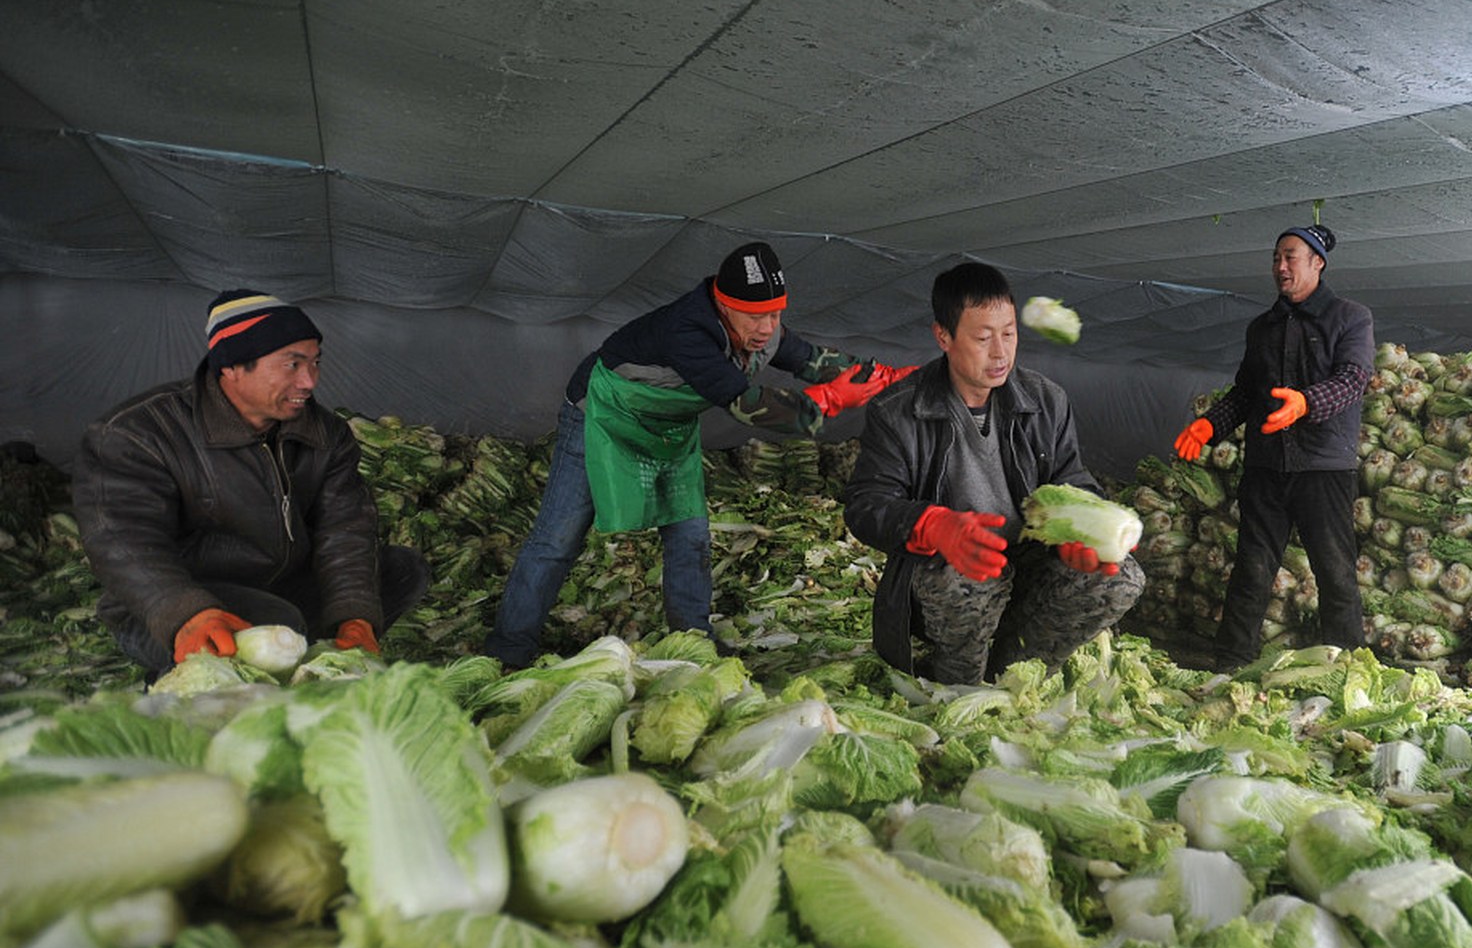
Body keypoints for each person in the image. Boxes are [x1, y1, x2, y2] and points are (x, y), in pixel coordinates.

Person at [484, 242, 912, 666]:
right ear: (723, 305)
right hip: (602, 417)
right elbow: (746, 405)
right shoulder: (686, 330)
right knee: (558, 537)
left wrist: (891, 378)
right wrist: (828, 401)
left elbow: (815, 361)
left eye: (776, 314)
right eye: (755, 316)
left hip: (666, 429)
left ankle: (694, 640)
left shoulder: (762, 329)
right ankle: (509, 648)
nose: (767, 328)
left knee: (689, 535)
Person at [72, 290, 429, 675]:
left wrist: (354, 616)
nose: (309, 381)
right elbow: (123, 541)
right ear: (231, 367)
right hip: (177, 599)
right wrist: (183, 611)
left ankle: (312, 658)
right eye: (292, 364)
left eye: (315, 363)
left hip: (280, 582)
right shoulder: (140, 432)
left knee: (401, 570)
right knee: (279, 620)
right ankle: (194, 671)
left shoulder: (325, 433)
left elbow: (344, 529)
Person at [843, 261, 1144, 684]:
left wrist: (1079, 530)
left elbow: (1069, 477)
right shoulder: (898, 411)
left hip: (1026, 561)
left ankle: (1015, 671)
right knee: (969, 577)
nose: (1000, 352)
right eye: (983, 338)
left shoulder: (1045, 400)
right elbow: (865, 506)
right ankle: (957, 684)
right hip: (945, 572)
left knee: (1120, 579)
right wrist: (932, 524)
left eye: (1009, 334)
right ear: (943, 336)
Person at [1173, 224, 1374, 670]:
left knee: (1335, 572)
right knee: (1252, 568)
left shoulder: (1350, 317)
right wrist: (1210, 426)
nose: (1280, 267)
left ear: (1317, 263)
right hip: (1266, 467)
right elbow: (1246, 393)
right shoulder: (1262, 327)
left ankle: (1350, 668)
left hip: (1323, 468)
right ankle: (1229, 664)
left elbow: (1353, 380)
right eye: (1276, 259)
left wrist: (1306, 402)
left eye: (1290, 257)